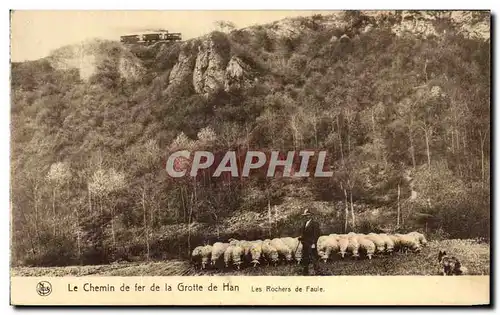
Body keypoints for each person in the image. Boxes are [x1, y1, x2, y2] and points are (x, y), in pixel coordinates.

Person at [298, 209, 321, 275]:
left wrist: (314, 243)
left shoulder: (315, 224)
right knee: (305, 257)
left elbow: (316, 234)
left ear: (311, 216)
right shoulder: (305, 223)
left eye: (308, 215)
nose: (306, 217)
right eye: (305, 216)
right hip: (305, 243)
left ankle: (317, 271)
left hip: (311, 243)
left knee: (313, 257)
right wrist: (301, 237)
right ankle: (305, 271)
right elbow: (304, 233)